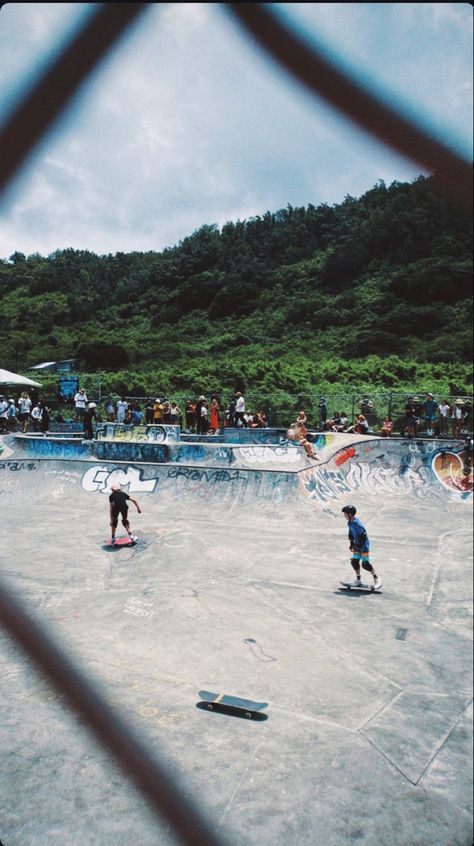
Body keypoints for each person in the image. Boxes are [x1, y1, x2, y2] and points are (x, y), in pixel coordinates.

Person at [341, 505, 382, 590]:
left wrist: (360, 545)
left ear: (350, 514)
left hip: (364, 545)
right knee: (354, 562)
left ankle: (377, 579)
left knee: (365, 564)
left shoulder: (357, 523)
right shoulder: (350, 522)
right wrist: (352, 543)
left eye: (345, 514)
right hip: (357, 544)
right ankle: (358, 581)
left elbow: (363, 535)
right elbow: (351, 534)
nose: (344, 515)